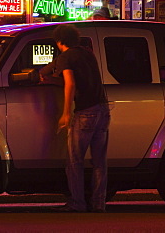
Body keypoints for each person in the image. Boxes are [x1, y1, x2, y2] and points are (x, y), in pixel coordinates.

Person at [51, 24, 110, 212]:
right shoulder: (87, 53)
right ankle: (99, 203)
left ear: (60, 42)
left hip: (85, 112)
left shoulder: (65, 57)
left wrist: (66, 113)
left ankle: (77, 203)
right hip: (103, 109)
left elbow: (71, 84)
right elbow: (83, 78)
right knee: (99, 162)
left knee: (74, 161)